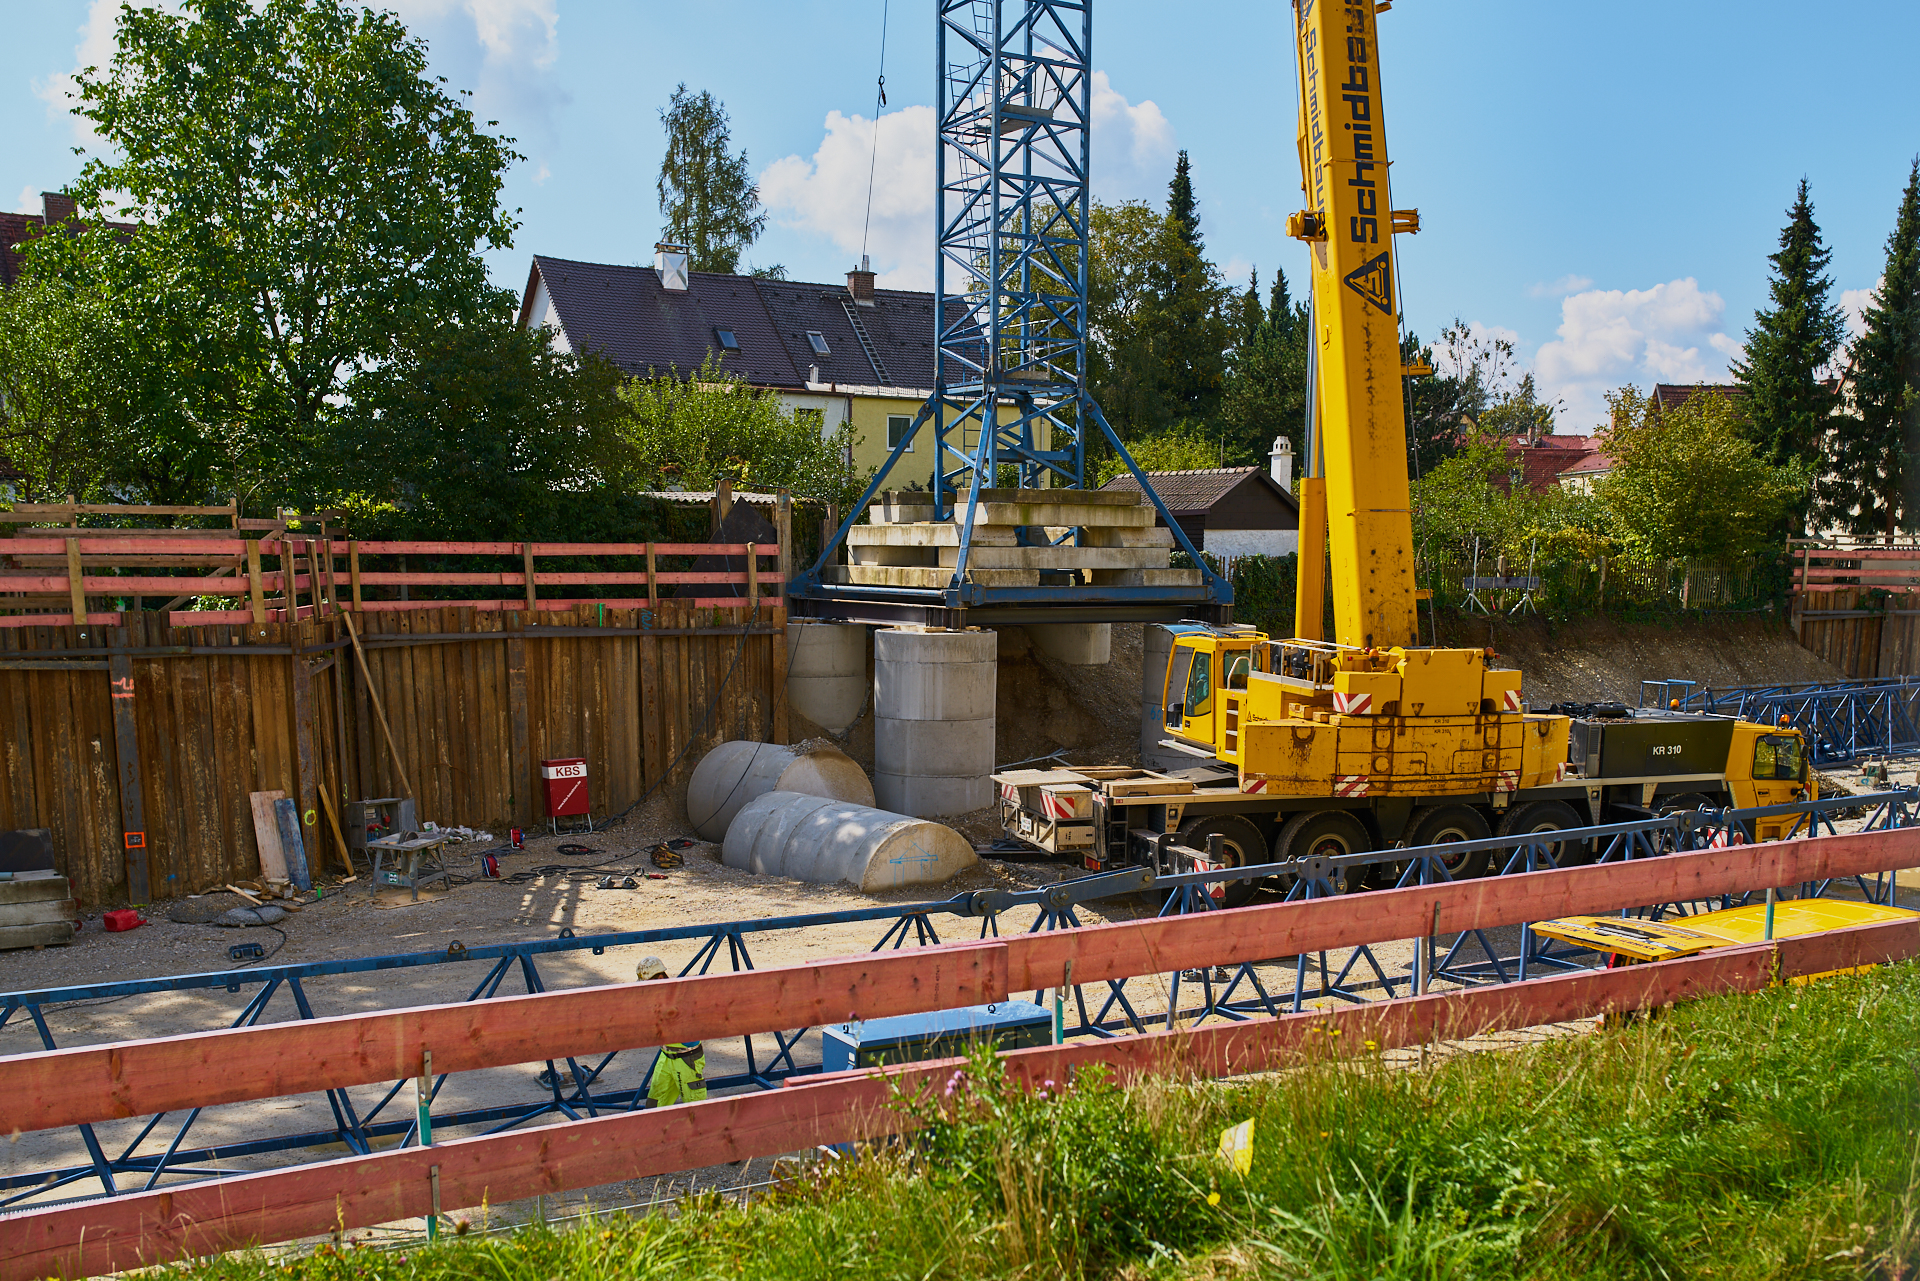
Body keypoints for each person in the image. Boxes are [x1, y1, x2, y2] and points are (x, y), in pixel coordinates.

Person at [636, 955, 708, 1106]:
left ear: (660, 977)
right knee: (654, 1106)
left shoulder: (678, 998)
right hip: (666, 1056)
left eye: (648, 983)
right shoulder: (657, 998)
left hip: (686, 1059)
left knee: (696, 1112)